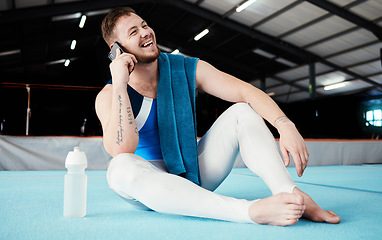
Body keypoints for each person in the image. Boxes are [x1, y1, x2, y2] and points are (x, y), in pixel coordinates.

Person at [95, 7, 341, 226]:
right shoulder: (109, 95)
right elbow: (122, 148)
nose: (145, 33)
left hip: (189, 172)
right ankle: (249, 211)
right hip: (146, 186)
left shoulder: (183, 68)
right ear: (116, 50)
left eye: (145, 25)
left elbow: (246, 91)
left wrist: (285, 125)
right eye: (133, 32)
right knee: (120, 166)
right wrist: (120, 84)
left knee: (241, 112)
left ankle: (289, 194)